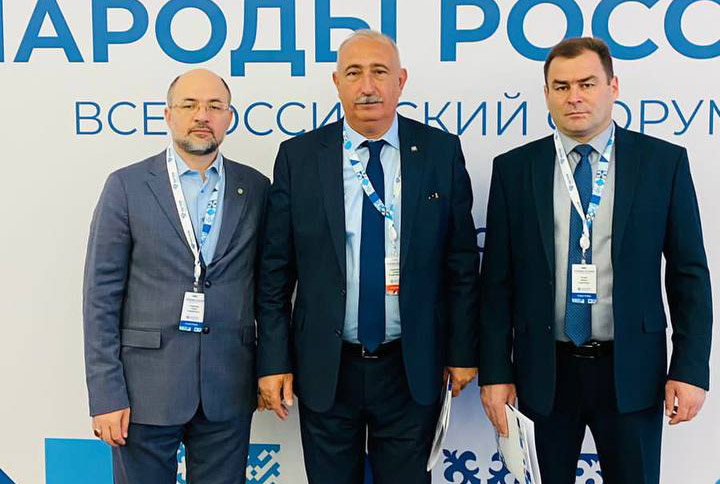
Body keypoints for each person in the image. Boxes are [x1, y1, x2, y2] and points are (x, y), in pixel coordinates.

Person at [478, 37, 712, 484]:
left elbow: (689, 275)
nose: (574, 97)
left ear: (613, 87)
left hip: (632, 371)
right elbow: (496, 285)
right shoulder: (515, 170)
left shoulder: (662, 164)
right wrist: (495, 372)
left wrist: (690, 368)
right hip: (544, 374)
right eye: (561, 86)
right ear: (547, 94)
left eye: (586, 84)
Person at [256, 30, 480, 484]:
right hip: (326, 366)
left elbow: (460, 264)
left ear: (401, 80)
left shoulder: (440, 152)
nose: (368, 86)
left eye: (380, 72)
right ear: (336, 82)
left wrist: (462, 351)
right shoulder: (299, 158)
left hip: (410, 366)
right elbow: (275, 272)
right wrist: (274, 360)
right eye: (354, 73)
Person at [83, 68, 269, 483]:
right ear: (168, 115)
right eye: (189, 105)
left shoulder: (256, 189)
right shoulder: (127, 186)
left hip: (227, 387)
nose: (202, 115)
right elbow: (100, 299)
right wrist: (106, 393)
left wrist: (270, 367)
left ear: (229, 117)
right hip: (143, 391)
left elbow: (269, 290)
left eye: (214, 106)